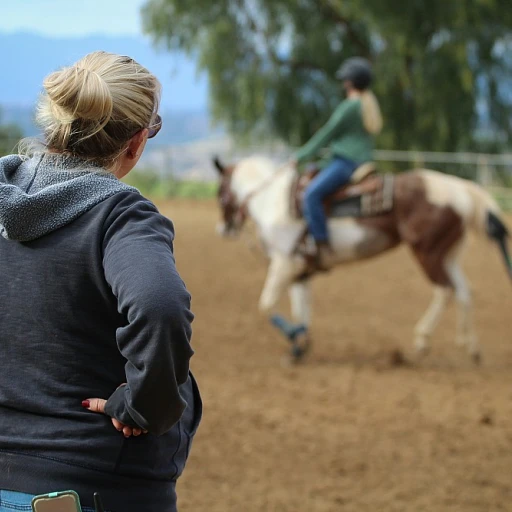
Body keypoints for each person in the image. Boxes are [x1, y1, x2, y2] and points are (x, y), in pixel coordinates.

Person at [0, 51, 201, 512]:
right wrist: (146, 406)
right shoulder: (121, 216)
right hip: (92, 486)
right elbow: (160, 306)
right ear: (135, 142)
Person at [294, 57, 383, 270]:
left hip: (346, 161)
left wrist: (301, 156)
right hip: (356, 159)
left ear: (350, 82)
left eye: (345, 80)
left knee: (311, 194)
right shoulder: (367, 105)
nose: (343, 83)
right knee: (313, 175)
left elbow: (326, 134)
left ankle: (321, 244)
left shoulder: (350, 106)